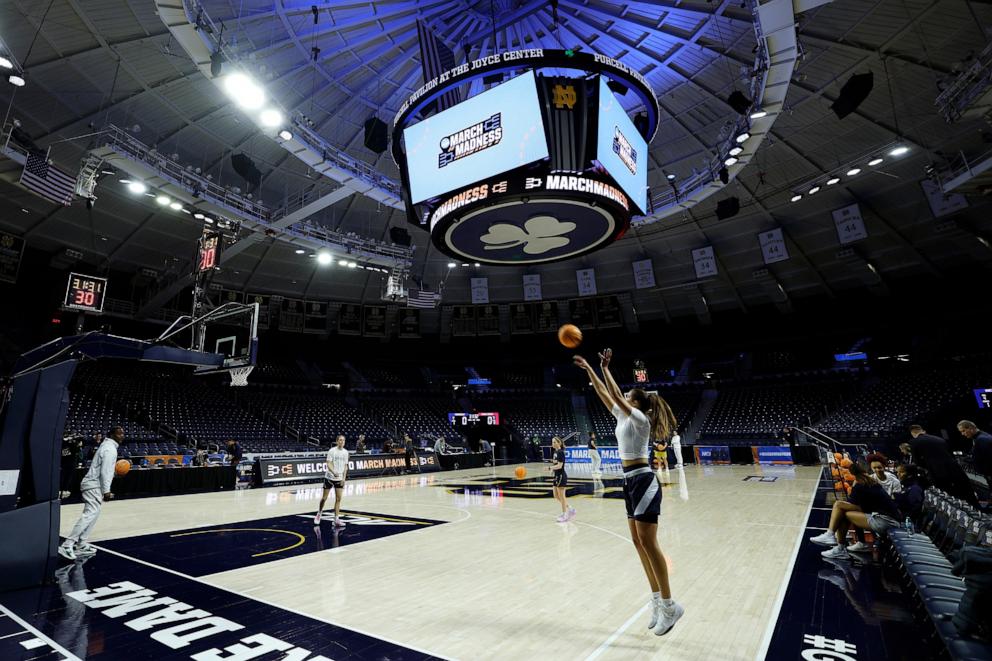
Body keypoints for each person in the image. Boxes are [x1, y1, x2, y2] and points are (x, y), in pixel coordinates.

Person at [575, 347, 684, 636]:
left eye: (627, 397)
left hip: (644, 480)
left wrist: (606, 370)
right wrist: (590, 370)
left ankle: (671, 605)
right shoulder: (624, 418)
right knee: (637, 543)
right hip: (629, 482)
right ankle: (657, 601)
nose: (622, 399)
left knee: (650, 543)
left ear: (636, 404)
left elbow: (613, 395)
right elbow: (604, 394)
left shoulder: (640, 419)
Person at [810, 461, 902, 559]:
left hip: (887, 521)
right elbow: (864, 507)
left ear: (852, 475)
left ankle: (833, 538)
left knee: (840, 507)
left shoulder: (860, 485)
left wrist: (852, 489)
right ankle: (856, 543)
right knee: (845, 510)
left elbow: (851, 504)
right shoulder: (868, 481)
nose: (843, 476)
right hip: (888, 518)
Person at [58, 426, 123, 560]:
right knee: (90, 514)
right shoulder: (109, 449)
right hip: (93, 485)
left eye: (123, 433)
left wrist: (114, 474)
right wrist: (107, 491)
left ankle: (81, 544)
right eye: (119, 433)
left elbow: (105, 470)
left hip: (94, 484)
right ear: (111, 434)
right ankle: (67, 544)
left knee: (94, 512)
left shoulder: (107, 446)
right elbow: (105, 471)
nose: (122, 436)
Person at [908, 425, 978, 506]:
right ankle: (978, 510)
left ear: (912, 433)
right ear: (922, 430)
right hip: (955, 468)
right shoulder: (939, 438)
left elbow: (918, 462)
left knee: (950, 497)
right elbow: (951, 454)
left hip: (938, 473)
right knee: (967, 491)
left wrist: (930, 466)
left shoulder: (914, 442)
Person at [315, 435, 349, 527]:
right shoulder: (332, 451)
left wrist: (344, 479)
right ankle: (319, 513)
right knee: (324, 498)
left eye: (343, 440)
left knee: (338, 499)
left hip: (339, 479)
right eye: (340, 440)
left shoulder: (346, 452)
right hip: (329, 478)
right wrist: (333, 472)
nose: (342, 442)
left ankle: (336, 519)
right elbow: (328, 463)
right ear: (337, 441)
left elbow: (346, 466)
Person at [957, 420, 992, 496]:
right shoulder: (979, 437)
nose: (962, 434)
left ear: (971, 428)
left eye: (963, 431)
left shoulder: (982, 439)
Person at [549, 436, 574, 522]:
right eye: (552, 442)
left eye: (555, 442)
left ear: (559, 443)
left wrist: (550, 468)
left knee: (562, 497)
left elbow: (560, 466)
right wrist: (552, 470)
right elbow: (555, 464)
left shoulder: (560, 452)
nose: (553, 444)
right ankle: (570, 509)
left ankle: (565, 515)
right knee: (556, 496)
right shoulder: (555, 452)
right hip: (556, 476)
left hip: (561, 476)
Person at [60, 433, 83, 499]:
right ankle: (63, 490)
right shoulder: (68, 444)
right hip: (68, 463)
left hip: (68, 462)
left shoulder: (70, 443)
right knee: (66, 477)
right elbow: (74, 451)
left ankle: (65, 490)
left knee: (67, 477)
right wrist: (78, 446)